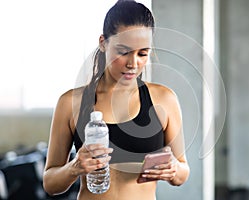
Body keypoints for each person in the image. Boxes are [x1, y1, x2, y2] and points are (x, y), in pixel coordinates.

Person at [43, 1, 190, 199]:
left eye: (143, 53)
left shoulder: (164, 100)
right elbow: (50, 183)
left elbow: (182, 172)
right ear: (103, 43)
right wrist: (74, 167)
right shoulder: (70, 103)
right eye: (123, 52)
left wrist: (173, 168)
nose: (133, 63)